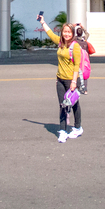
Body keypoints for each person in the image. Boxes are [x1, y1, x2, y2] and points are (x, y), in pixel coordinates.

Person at [38, 14, 83, 142]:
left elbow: (77, 65)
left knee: (74, 104)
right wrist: (42, 22)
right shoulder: (60, 43)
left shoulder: (75, 46)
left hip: (71, 80)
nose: (67, 34)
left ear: (72, 33)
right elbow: (50, 33)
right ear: (62, 32)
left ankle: (78, 128)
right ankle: (63, 131)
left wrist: (74, 81)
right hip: (60, 79)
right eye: (65, 32)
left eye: (69, 32)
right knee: (62, 105)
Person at [74, 24, 95, 94]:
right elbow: (87, 34)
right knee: (85, 75)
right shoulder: (84, 39)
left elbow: (70, 35)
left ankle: (77, 88)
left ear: (76, 33)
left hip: (77, 59)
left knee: (77, 74)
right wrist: (83, 28)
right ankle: (85, 90)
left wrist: (73, 27)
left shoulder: (75, 40)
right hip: (85, 60)